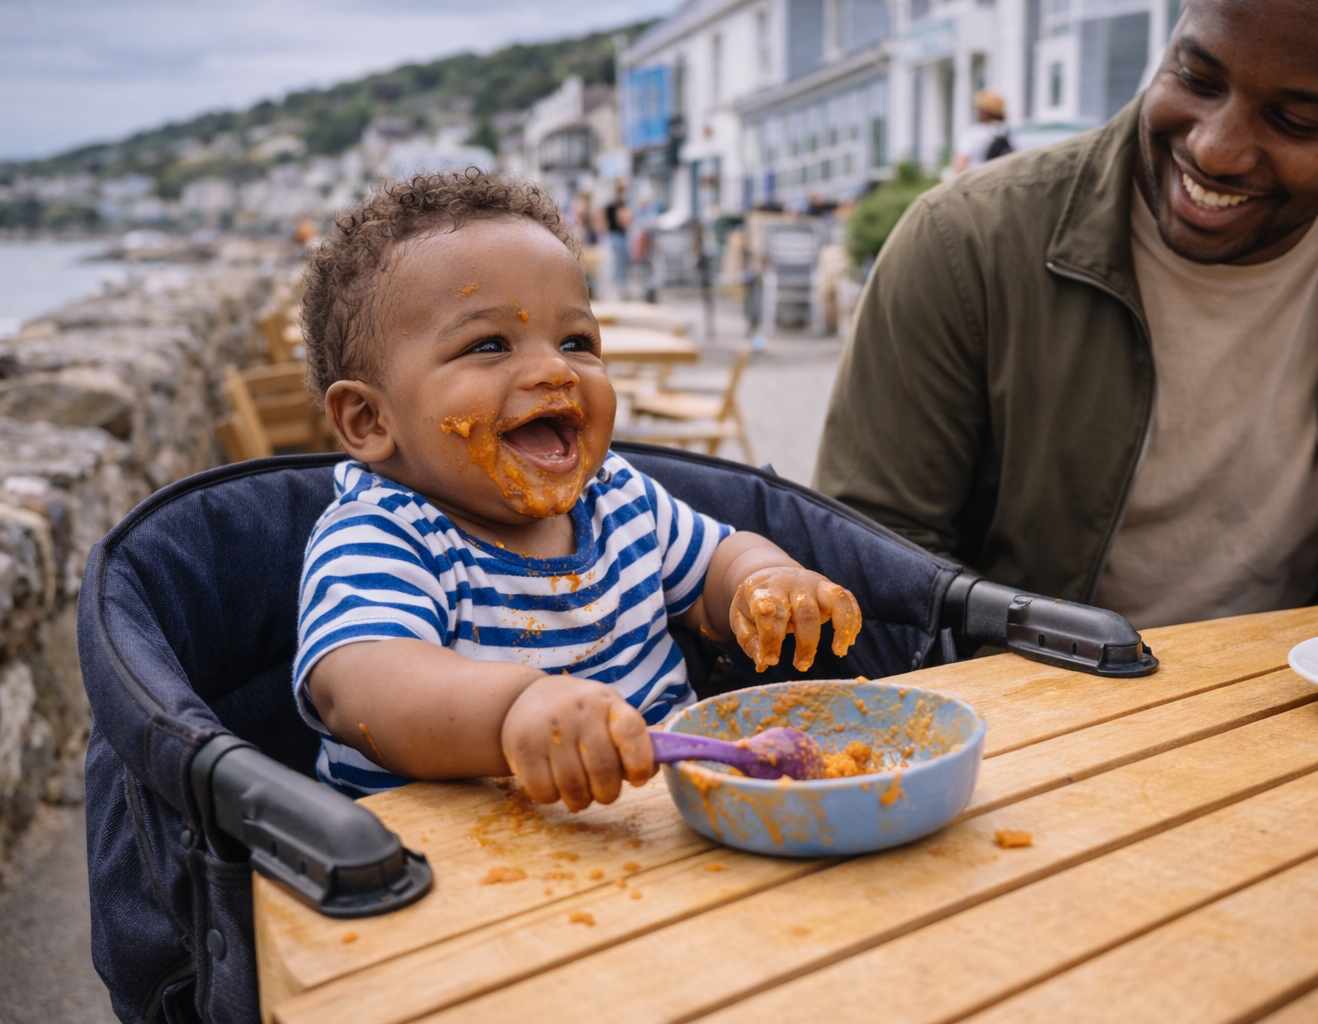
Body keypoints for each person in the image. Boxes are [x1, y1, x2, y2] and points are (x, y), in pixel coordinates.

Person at [815, 0, 1318, 631]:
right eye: (1196, 78)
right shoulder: (962, 242)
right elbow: (870, 563)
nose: (1214, 149)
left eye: (1294, 119)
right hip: (1027, 732)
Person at [295, 170, 862, 806]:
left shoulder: (619, 496)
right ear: (369, 421)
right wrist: (516, 711)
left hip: (660, 832)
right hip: (455, 870)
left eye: (576, 341)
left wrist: (762, 580)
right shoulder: (383, 534)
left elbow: (715, 567)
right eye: (488, 344)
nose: (554, 369)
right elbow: (365, 688)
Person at [951, 90, 1012, 176]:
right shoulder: (1005, 131)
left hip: (974, 180)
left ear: (984, 111)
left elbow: (961, 165)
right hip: (997, 179)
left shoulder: (973, 132)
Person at [604, 180, 632, 299]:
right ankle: (619, 286)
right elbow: (622, 222)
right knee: (620, 262)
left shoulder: (613, 205)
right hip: (618, 235)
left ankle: (619, 285)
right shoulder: (619, 205)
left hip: (615, 235)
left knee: (619, 262)